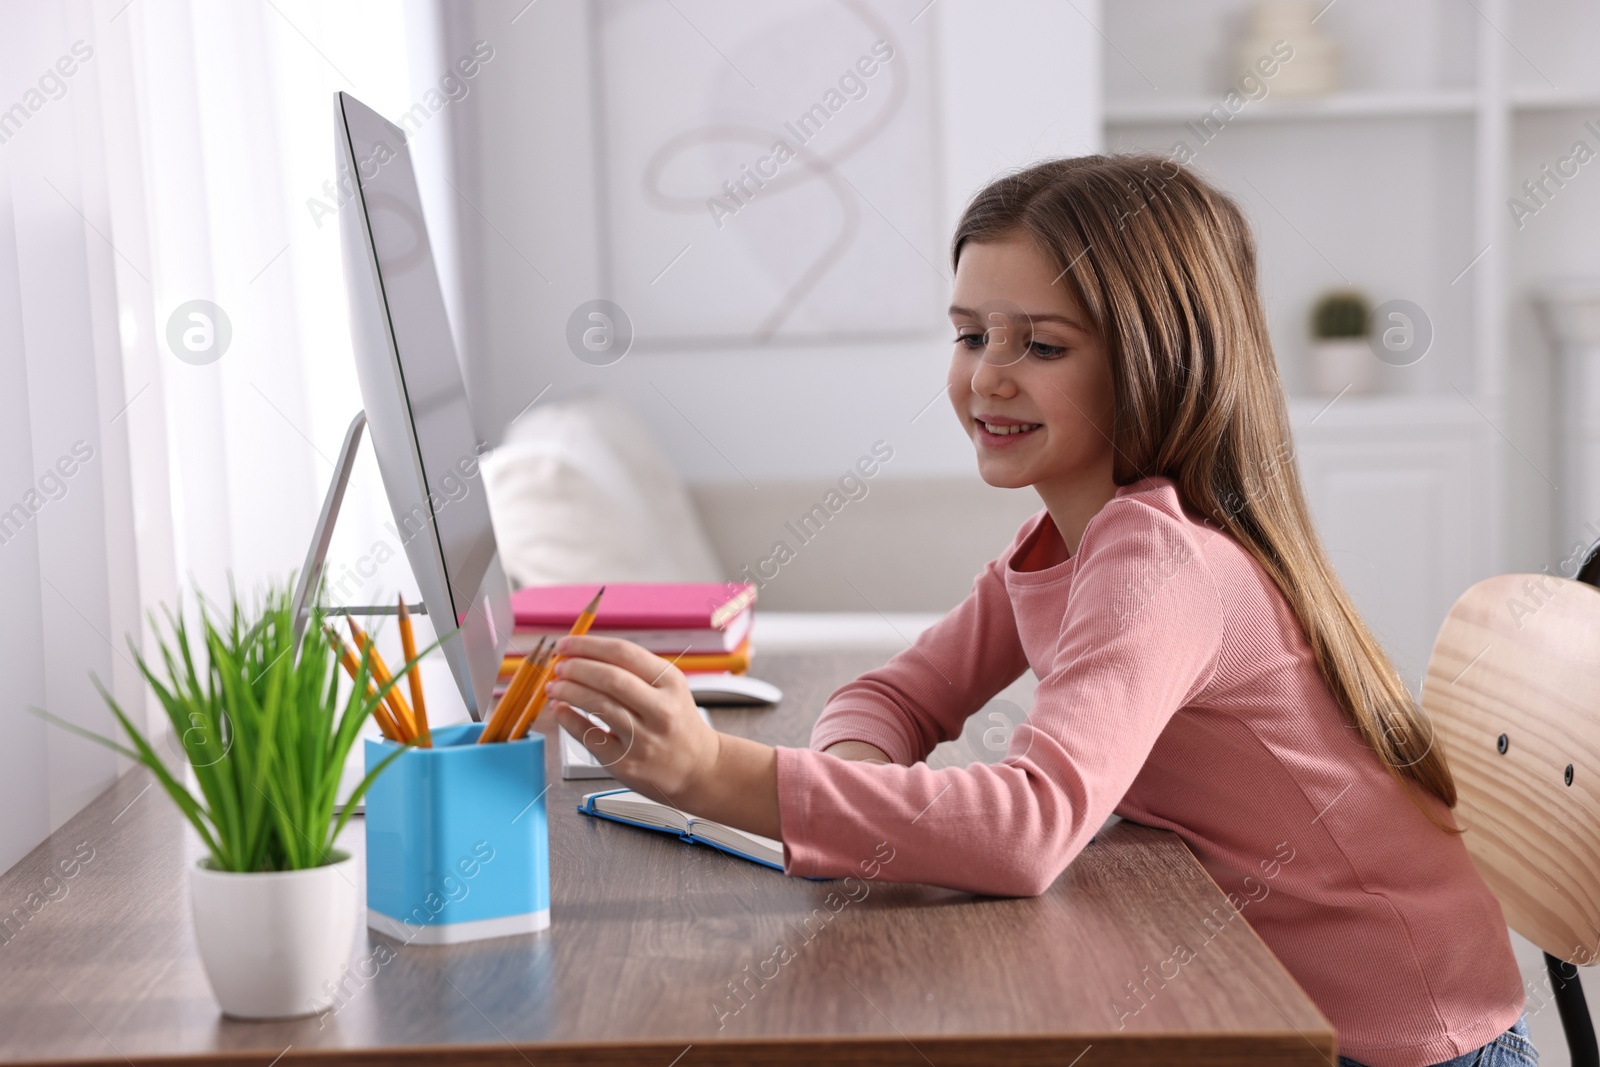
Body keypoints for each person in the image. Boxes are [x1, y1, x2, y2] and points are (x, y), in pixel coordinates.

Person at [544, 154, 1534, 1067]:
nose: (987, 374)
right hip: (1287, 997)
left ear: (1154, 359)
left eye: (1040, 343)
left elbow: (1025, 828)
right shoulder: (1064, 538)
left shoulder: (1157, 562)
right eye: (970, 332)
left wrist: (710, 769)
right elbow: (901, 690)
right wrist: (850, 788)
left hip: (1403, 1038)